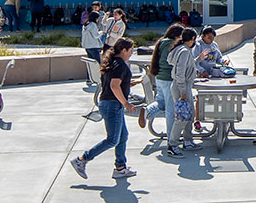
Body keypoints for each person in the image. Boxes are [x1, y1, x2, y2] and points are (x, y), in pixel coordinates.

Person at [70, 38, 140, 180]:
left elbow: (114, 84)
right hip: (112, 105)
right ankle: (82, 159)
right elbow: (114, 86)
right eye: (131, 50)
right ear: (124, 50)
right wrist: (126, 103)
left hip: (110, 103)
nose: (132, 53)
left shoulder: (112, 62)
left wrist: (129, 84)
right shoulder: (120, 65)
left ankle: (120, 168)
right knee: (113, 139)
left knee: (122, 136)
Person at [143, 24, 185, 134]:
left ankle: (147, 111)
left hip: (160, 78)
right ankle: (171, 136)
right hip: (168, 79)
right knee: (170, 110)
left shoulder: (162, 42)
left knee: (161, 102)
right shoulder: (171, 44)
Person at [166, 28, 201, 156]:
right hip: (182, 86)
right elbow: (180, 72)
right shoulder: (185, 52)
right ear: (192, 39)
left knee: (188, 115)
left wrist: (198, 59)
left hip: (183, 85)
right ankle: (172, 144)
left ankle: (188, 141)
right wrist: (183, 91)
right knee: (182, 117)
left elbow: (187, 66)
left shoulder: (181, 50)